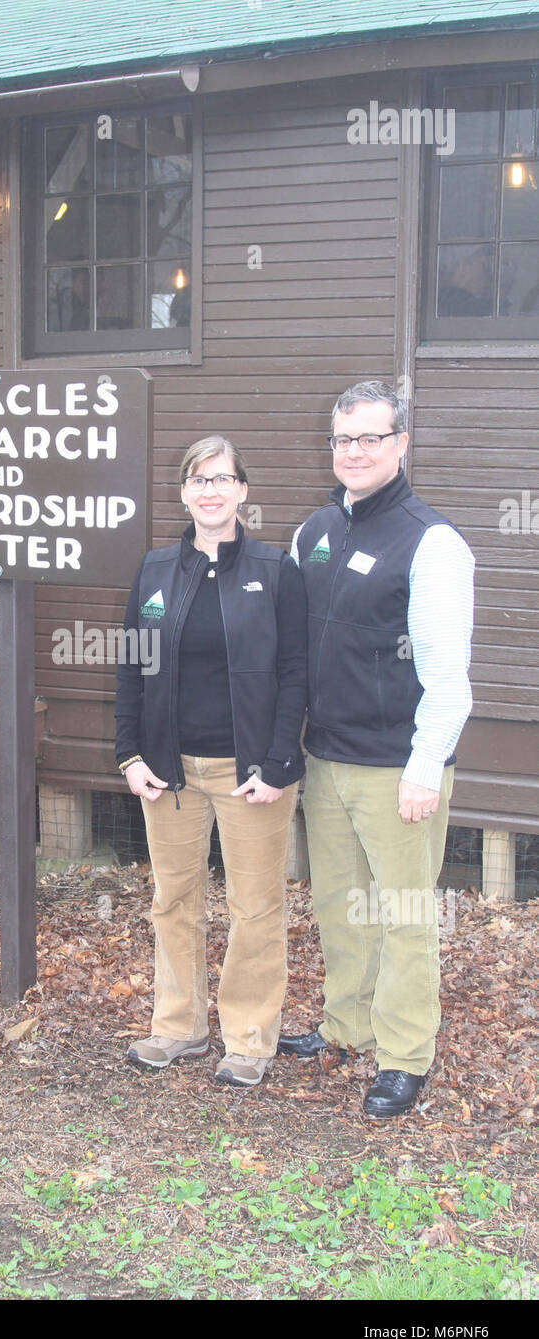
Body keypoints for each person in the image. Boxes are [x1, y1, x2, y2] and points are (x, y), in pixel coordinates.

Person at [278, 381, 475, 1118]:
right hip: (327, 760)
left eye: (370, 437)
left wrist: (426, 769)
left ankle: (403, 1055)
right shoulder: (315, 532)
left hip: (398, 769)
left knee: (401, 913)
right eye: (342, 439)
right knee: (340, 906)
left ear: (400, 444)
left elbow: (448, 679)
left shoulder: (432, 543)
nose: (354, 452)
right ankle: (346, 1026)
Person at [115, 435, 307, 1087]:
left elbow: (294, 673)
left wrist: (279, 762)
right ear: (184, 492)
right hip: (168, 771)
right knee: (174, 900)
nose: (210, 490)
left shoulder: (277, 572)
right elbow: (134, 666)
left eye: (223, 478)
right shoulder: (155, 570)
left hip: (248, 770)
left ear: (243, 491)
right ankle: (179, 1027)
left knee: (255, 906)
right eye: (198, 479)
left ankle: (250, 1036)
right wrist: (128, 753)